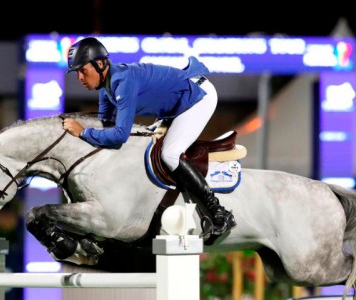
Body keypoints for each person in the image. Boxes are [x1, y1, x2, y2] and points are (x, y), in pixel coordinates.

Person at [62, 37, 236, 241]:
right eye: (77, 73)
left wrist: (82, 132)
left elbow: (119, 136)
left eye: (83, 70)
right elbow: (105, 127)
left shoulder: (122, 82)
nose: (80, 78)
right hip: (174, 105)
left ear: (100, 64)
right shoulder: (105, 88)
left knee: (170, 154)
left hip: (198, 97)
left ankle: (218, 213)